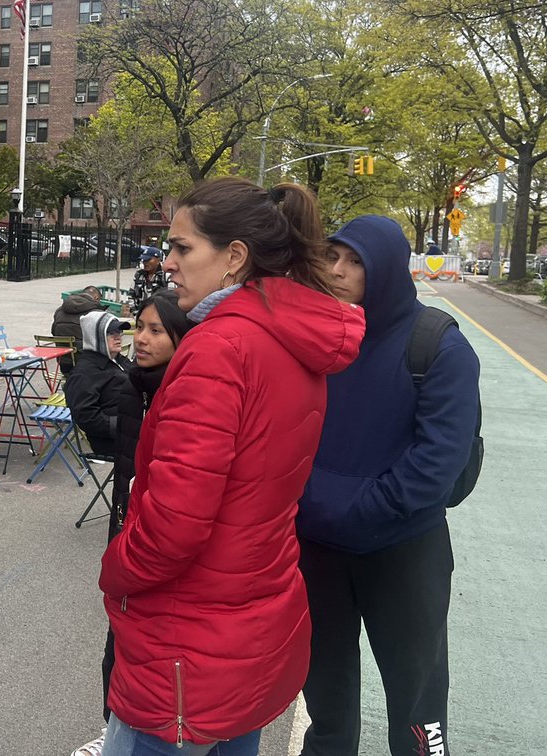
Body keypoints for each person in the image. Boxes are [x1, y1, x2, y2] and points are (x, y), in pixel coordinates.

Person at [98, 178, 365, 756]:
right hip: (250, 623)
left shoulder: (221, 348)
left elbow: (174, 525)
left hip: (186, 642)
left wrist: (115, 569)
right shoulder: (288, 341)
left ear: (234, 257)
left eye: (183, 248)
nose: (167, 263)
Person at [297, 216, 480, 756]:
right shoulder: (318, 342)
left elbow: (437, 464)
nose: (338, 271)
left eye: (355, 261)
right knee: (325, 695)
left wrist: (350, 510)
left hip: (403, 551)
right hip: (318, 551)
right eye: (332, 257)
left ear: (388, 271)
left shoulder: (439, 347)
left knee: (416, 697)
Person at [72, 290, 194, 756]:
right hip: (128, 524)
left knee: (158, 643)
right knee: (119, 633)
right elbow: (123, 466)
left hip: (165, 539)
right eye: (135, 327)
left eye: (154, 330)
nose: (138, 338)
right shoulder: (133, 384)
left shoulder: (186, 391)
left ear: (183, 337)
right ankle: (113, 725)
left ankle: (145, 729)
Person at [64, 311, 132, 458]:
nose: (118, 336)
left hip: (133, 429)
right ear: (95, 337)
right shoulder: (85, 372)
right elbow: (85, 416)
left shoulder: (117, 360)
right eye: (110, 333)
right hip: (113, 441)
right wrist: (123, 426)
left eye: (119, 331)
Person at [51, 285, 106, 374]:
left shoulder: (59, 311)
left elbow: (53, 332)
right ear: (96, 298)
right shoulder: (95, 313)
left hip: (64, 365)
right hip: (87, 366)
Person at [130, 246, 167, 310]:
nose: (145, 263)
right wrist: (134, 312)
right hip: (140, 314)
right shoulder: (139, 275)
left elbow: (172, 299)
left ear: (158, 261)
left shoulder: (166, 276)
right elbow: (131, 294)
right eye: (144, 260)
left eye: (148, 260)